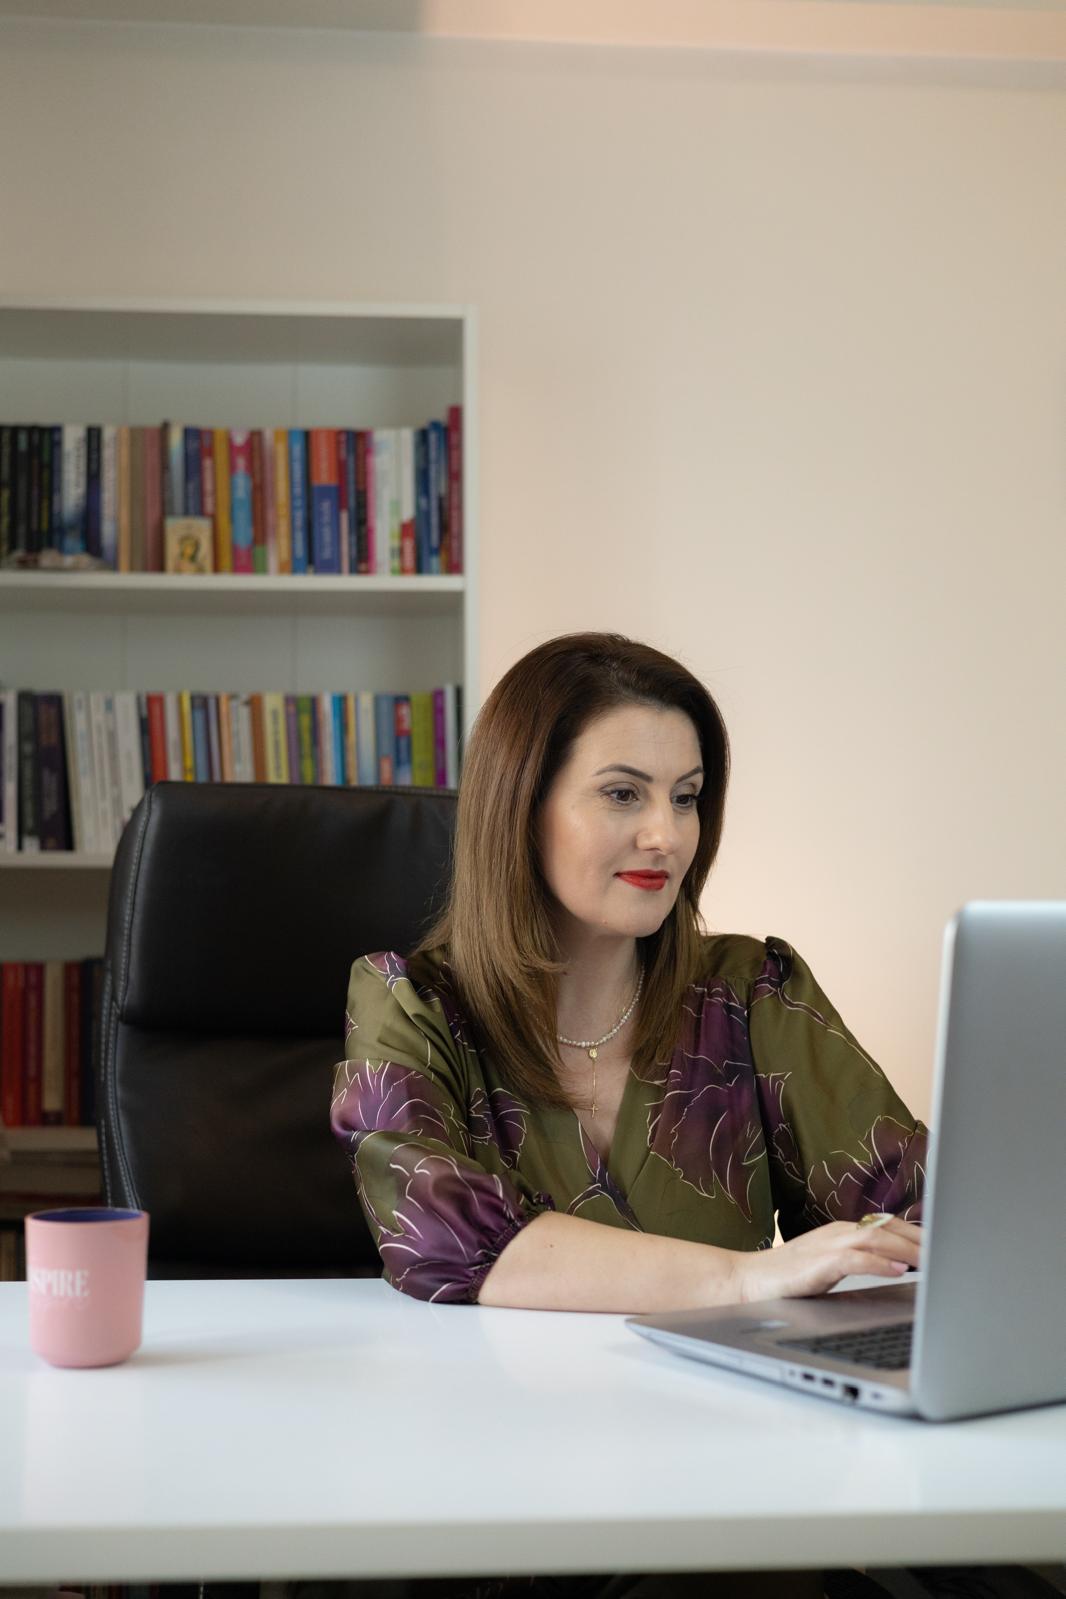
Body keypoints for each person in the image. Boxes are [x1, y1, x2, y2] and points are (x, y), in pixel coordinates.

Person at [326, 631, 927, 1599]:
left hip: (723, 1485)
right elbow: (445, 1243)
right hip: (499, 1506)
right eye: (622, 793)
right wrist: (748, 1278)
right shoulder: (409, 1004)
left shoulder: (750, 991)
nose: (666, 835)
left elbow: (915, 1206)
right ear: (519, 808)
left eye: (685, 797)